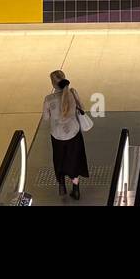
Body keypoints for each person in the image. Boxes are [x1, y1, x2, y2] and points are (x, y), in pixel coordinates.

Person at [43, 69, 90, 198]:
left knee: (59, 159)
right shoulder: (73, 93)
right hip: (73, 133)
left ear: (53, 84)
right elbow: (82, 108)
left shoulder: (49, 99)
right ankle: (76, 189)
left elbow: (46, 118)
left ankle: (62, 184)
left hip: (57, 135)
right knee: (74, 159)